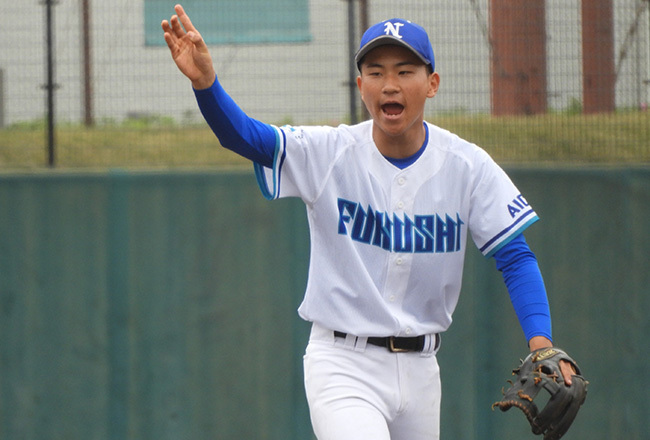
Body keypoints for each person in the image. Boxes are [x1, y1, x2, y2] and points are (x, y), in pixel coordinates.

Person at [162, 5, 575, 439]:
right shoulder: (329, 152)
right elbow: (244, 136)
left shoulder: (467, 165)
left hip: (421, 370)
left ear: (431, 84)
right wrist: (206, 85)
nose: (389, 85)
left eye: (405, 71)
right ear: (361, 86)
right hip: (343, 363)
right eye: (375, 72)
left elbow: (515, 256)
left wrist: (541, 343)